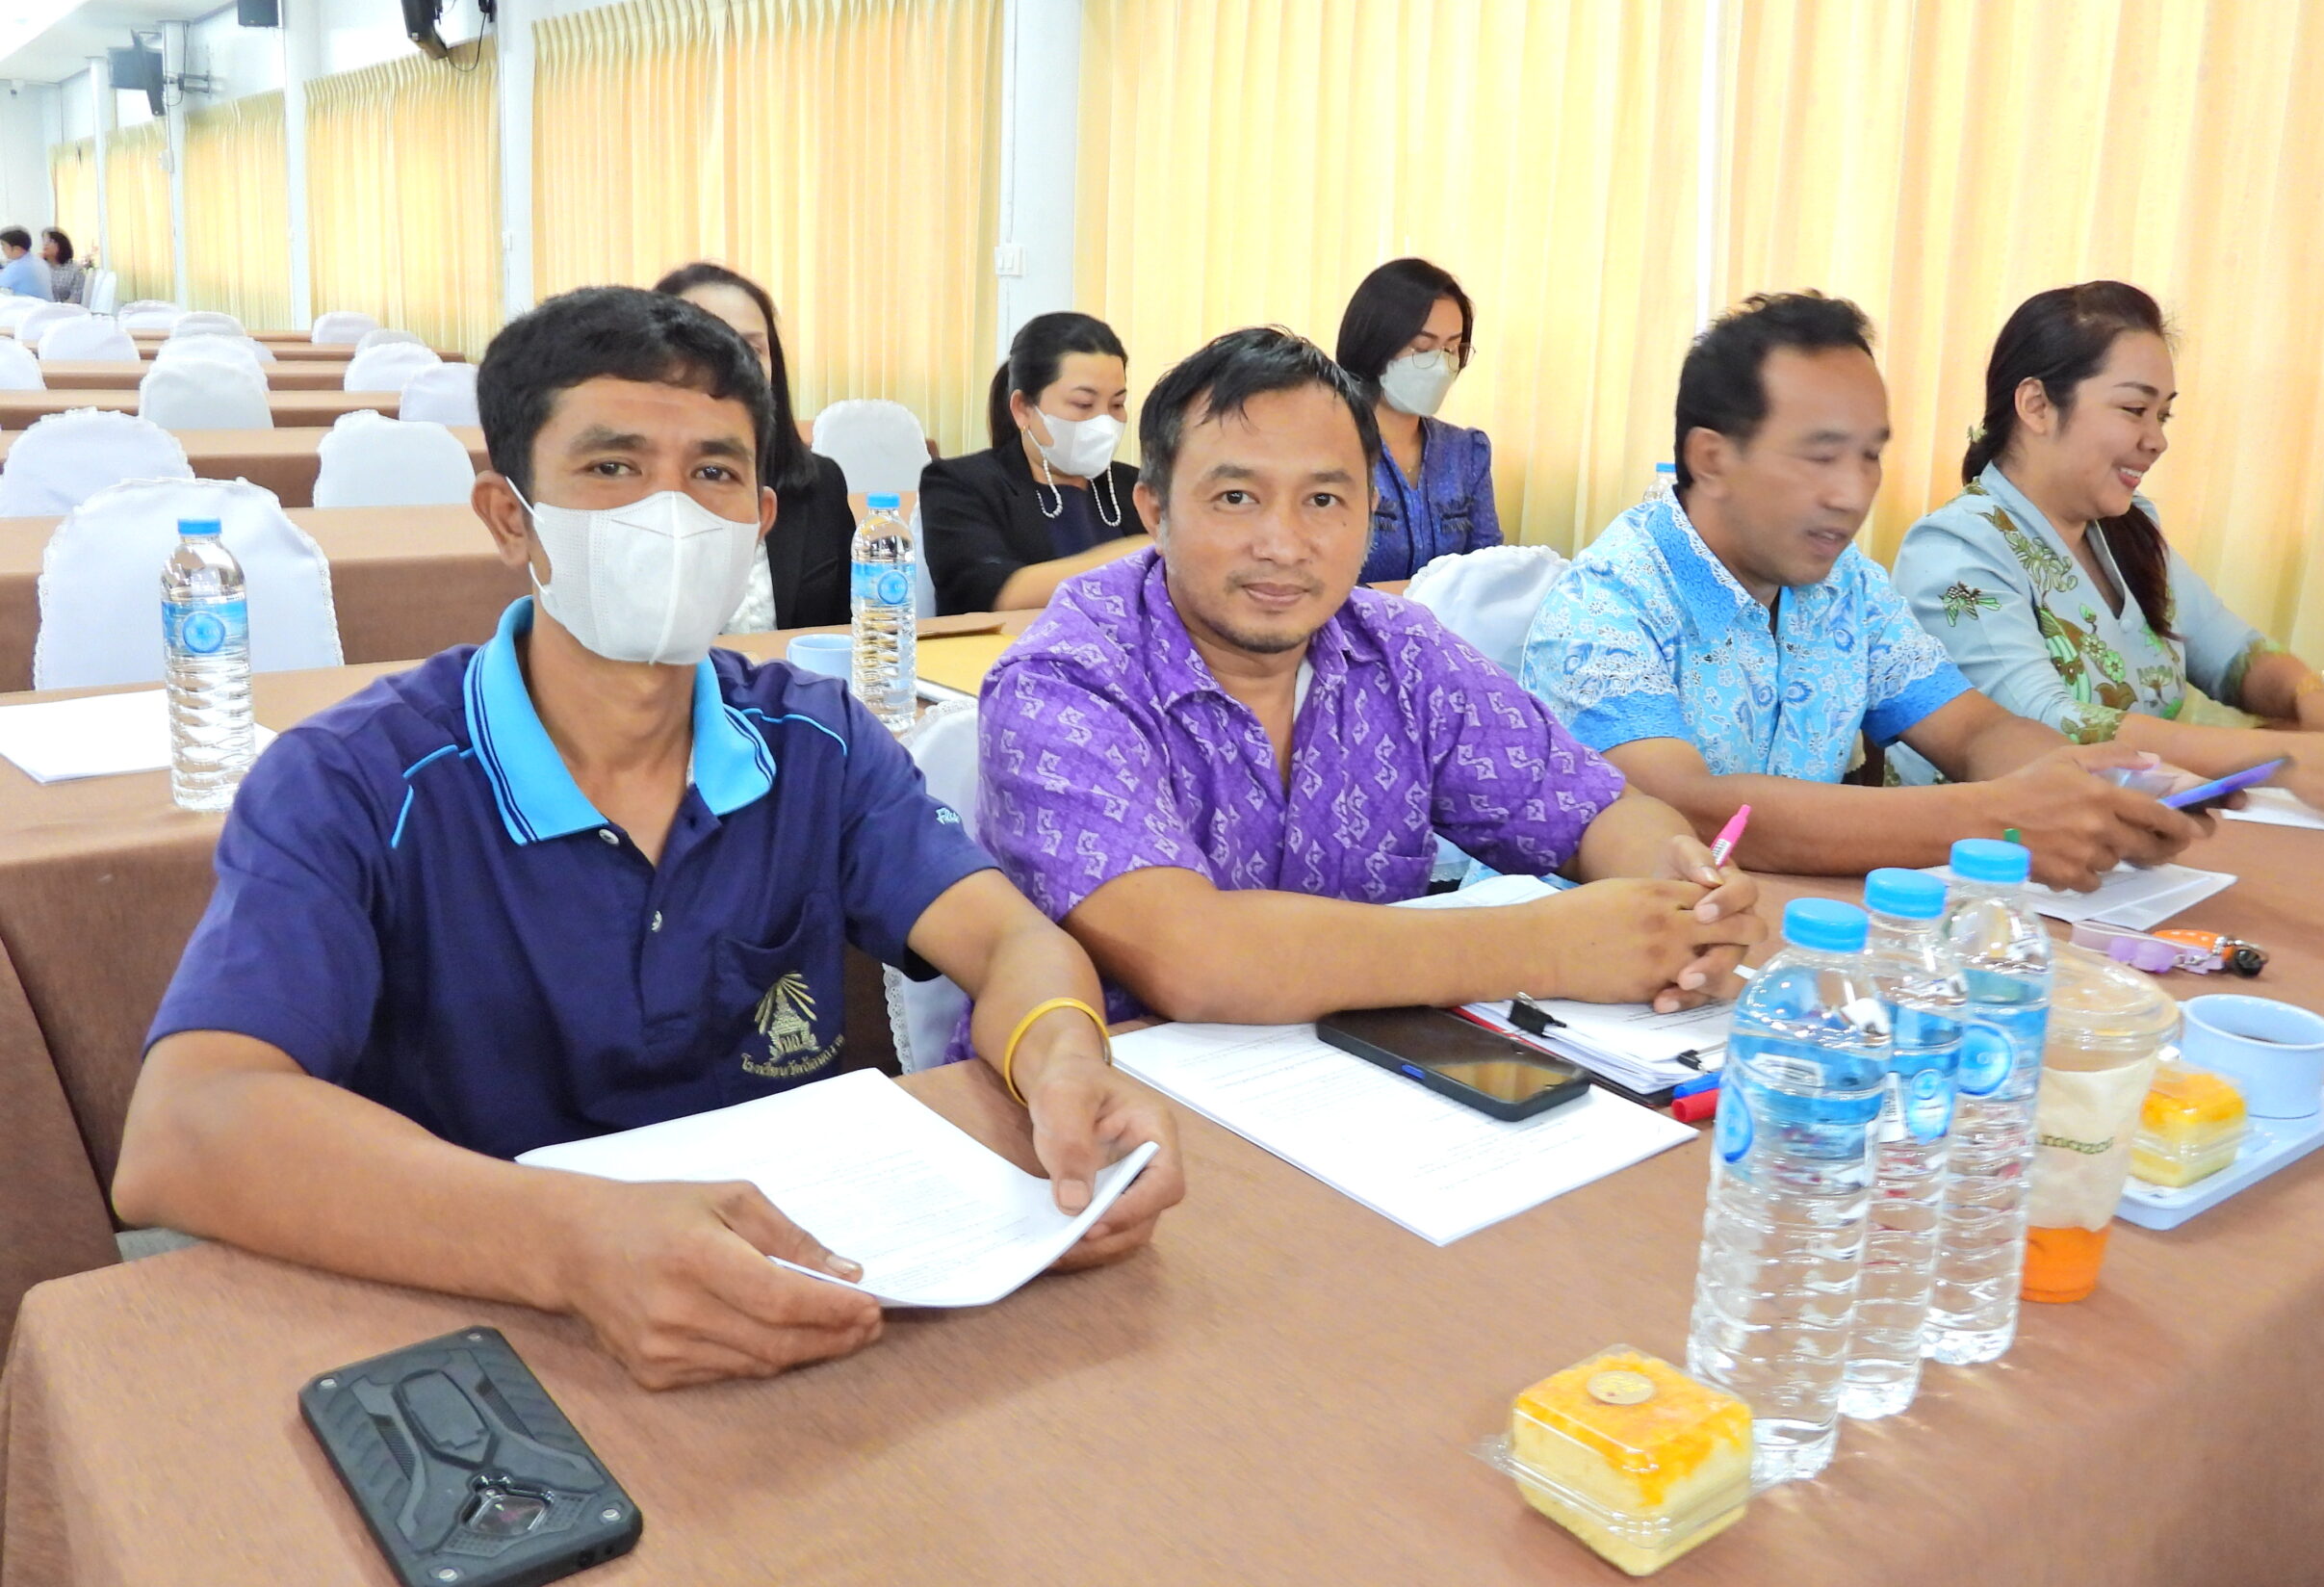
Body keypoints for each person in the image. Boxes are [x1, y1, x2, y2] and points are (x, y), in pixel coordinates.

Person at [114, 286, 1185, 1391]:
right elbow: (187, 1126)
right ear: (509, 517)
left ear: (758, 522)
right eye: (613, 467)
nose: (668, 513)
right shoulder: (354, 781)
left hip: (794, 1288)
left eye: (712, 473)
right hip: (485, 1310)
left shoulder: (815, 743)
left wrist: (1064, 1058)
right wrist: (568, 1241)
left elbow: (1009, 941)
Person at [972, 325, 1767, 1027]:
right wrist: (1545, 946)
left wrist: (1680, 892)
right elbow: (1192, 957)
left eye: (1323, 499)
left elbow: (1596, 810)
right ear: (1155, 510)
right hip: (1113, 1103)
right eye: (1237, 497)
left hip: (1362, 1087)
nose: (1284, 544)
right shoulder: (1066, 680)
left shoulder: (1401, 653)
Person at [1519, 292, 2215, 892]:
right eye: (1821, 456)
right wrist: (2001, 818)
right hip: (1598, 960)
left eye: (1870, 456)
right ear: (1713, 459)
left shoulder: (1846, 585)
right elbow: (1687, 809)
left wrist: (2094, 790)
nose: (1854, 494)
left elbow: (1973, 730)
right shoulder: (1608, 603)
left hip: (1787, 931)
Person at [1895, 281, 2324, 845]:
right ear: (2036, 405)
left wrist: (2312, 697)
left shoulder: (2126, 527)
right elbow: (2046, 725)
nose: (2156, 441)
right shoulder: (1956, 550)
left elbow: (2235, 655)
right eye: (2134, 410)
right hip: (1991, 863)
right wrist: (2282, 756)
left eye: (2163, 416)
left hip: (2127, 845)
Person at [653, 262, 857, 632]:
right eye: (706, 345)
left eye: (751, 348)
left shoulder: (821, 482)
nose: (734, 364)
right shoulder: (626, 492)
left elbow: (846, 630)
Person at [920, 312, 1149, 613]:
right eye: (1083, 404)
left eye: (1117, 404)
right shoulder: (960, 483)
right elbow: (990, 592)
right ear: (1023, 409)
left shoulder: (1139, 487)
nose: (1104, 422)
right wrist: (1143, 555)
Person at [1334, 258, 1502, 584]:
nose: (1441, 365)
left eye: (1452, 349)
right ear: (1375, 346)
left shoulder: (1466, 452)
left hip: (1446, 619)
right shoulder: (1328, 447)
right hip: (1352, 618)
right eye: (1423, 348)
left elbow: (1488, 571)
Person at [39, 229, 85, 305]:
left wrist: (57, 309)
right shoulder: (39, 266)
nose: (45, 244)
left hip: (66, 310)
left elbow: (76, 297)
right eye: (44, 241)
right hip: (39, 308)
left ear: (60, 244)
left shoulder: (75, 269)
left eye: (50, 241)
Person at [0, 228, 48, 300]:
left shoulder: (17, 267)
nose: (2, 249)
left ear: (16, 249)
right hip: (45, 304)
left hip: (30, 305)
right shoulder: (38, 261)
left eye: (3, 246)